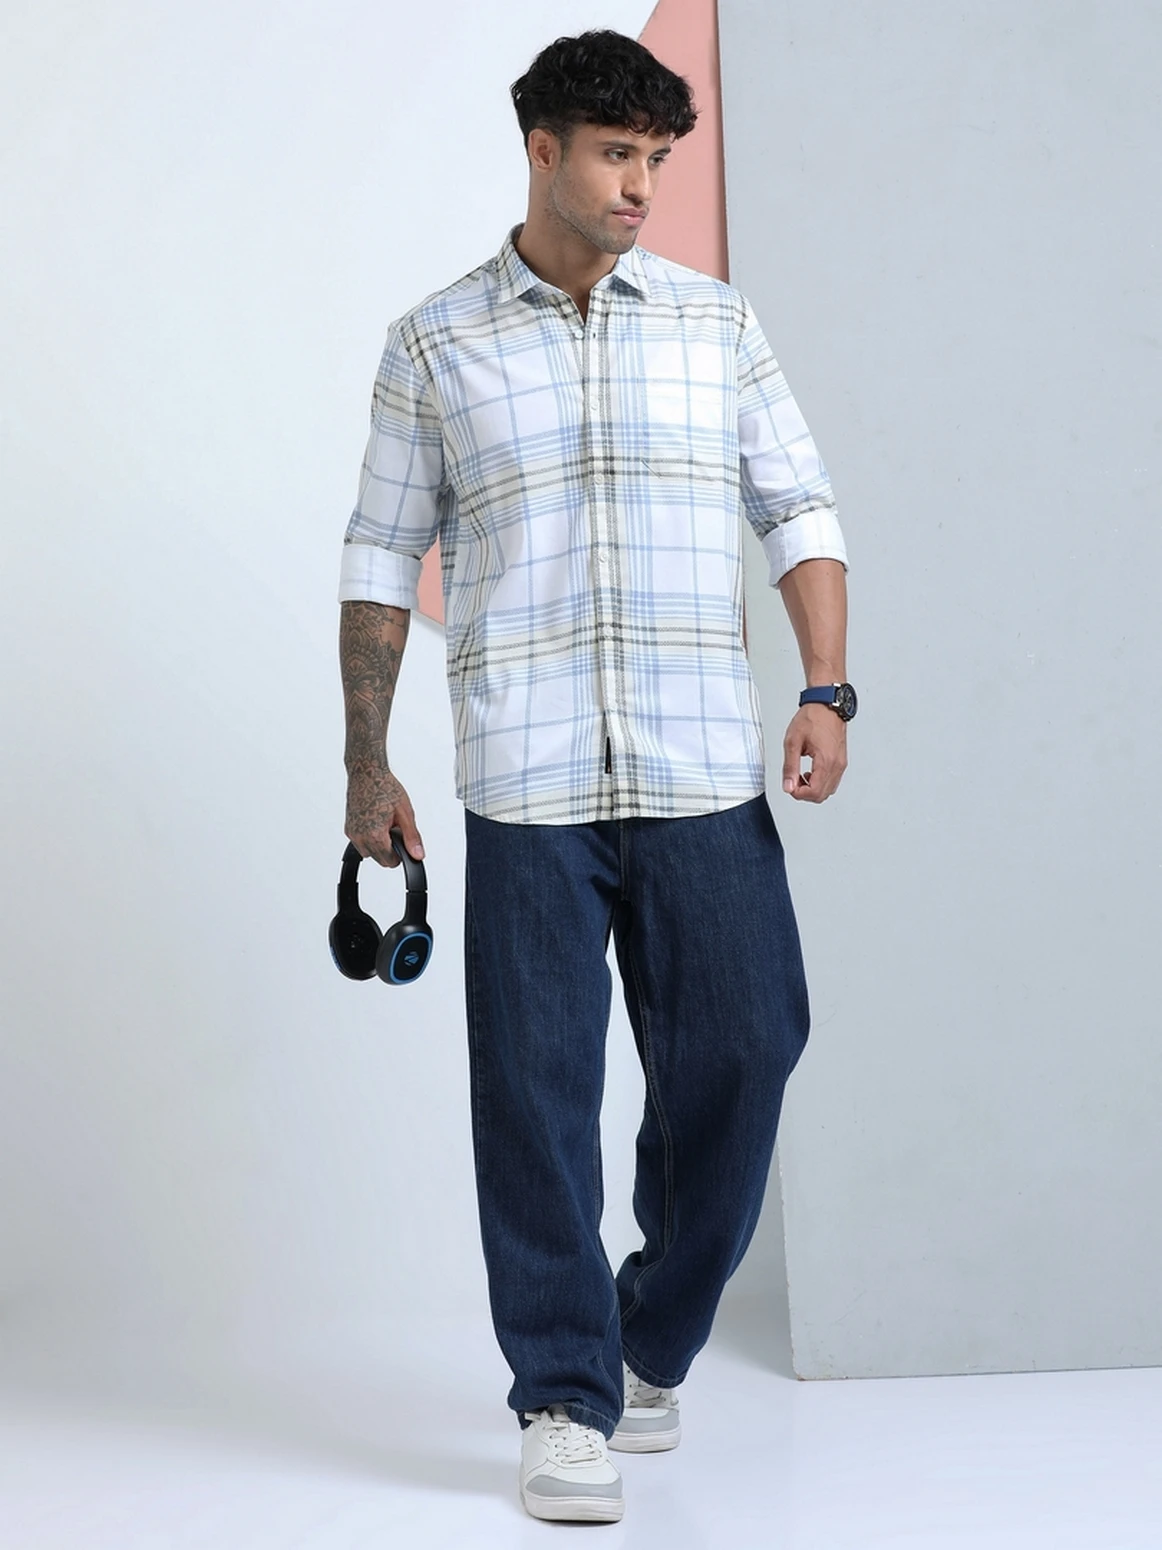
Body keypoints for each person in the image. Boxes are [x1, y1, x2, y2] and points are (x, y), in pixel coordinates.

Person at [337, 27, 854, 1525]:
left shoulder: (716, 325)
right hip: (527, 779)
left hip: (700, 767)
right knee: (535, 1095)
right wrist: (365, 757)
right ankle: (563, 1397)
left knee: (747, 1048)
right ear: (543, 151)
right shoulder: (435, 344)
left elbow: (799, 507)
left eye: (656, 160)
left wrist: (825, 684)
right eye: (616, 155)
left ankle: (646, 1337)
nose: (640, 186)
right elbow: (379, 556)